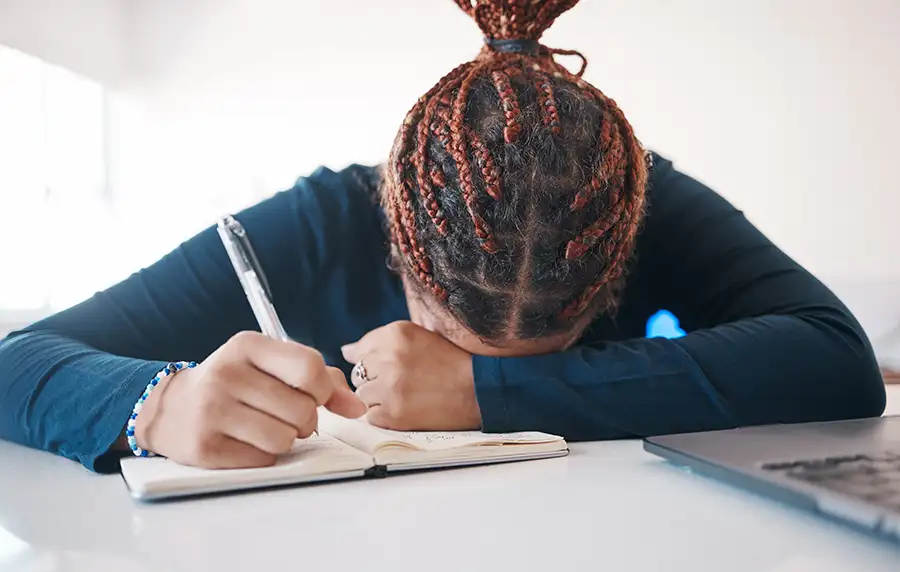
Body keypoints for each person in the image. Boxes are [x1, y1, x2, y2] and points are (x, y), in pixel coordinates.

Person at [0, 0, 885, 473]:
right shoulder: (319, 223)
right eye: (446, 335)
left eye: (547, 351)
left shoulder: (634, 196)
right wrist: (154, 404)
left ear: (618, 263)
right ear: (394, 234)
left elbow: (835, 360)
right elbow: (13, 361)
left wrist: (490, 391)